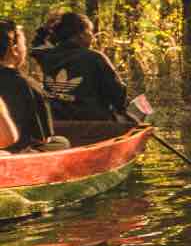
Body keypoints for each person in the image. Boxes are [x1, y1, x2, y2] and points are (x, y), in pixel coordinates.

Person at [32, 12, 128, 121]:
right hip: (93, 124)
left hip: (55, 122)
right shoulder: (95, 57)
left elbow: (36, 47)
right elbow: (118, 95)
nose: (93, 37)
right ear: (81, 34)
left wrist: (44, 30)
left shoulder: (48, 56)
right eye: (90, 32)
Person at [0, 19, 62, 152]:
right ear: (14, 49)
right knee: (61, 143)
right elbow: (43, 138)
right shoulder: (28, 85)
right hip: (15, 153)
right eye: (24, 44)